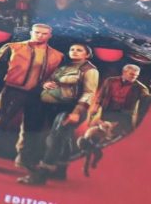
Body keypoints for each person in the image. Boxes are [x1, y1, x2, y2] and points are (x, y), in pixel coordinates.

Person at [0, 24, 64, 174]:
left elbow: (58, 76)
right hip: (12, 90)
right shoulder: (13, 47)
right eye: (37, 32)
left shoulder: (57, 56)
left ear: (49, 36)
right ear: (31, 32)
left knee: (31, 129)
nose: (40, 36)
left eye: (44, 34)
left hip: (37, 95)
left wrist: (51, 84)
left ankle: (24, 160)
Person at [21, 42, 99, 185]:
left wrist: (76, 112)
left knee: (55, 139)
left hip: (71, 109)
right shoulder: (65, 66)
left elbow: (89, 93)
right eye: (72, 49)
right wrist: (46, 84)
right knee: (64, 138)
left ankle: (41, 175)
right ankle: (60, 170)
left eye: (79, 50)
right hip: (55, 107)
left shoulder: (90, 70)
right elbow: (51, 80)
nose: (74, 51)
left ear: (87, 54)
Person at [89, 64, 151, 137]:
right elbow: (101, 95)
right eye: (131, 74)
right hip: (107, 111)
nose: (134, 77)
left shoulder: (140, 87)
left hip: (124, 116)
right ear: (124, 72)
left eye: (136, 75)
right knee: (99, 132)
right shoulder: (110, 81)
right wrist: (96, 106)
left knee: (118, 135)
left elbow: (147, 101)